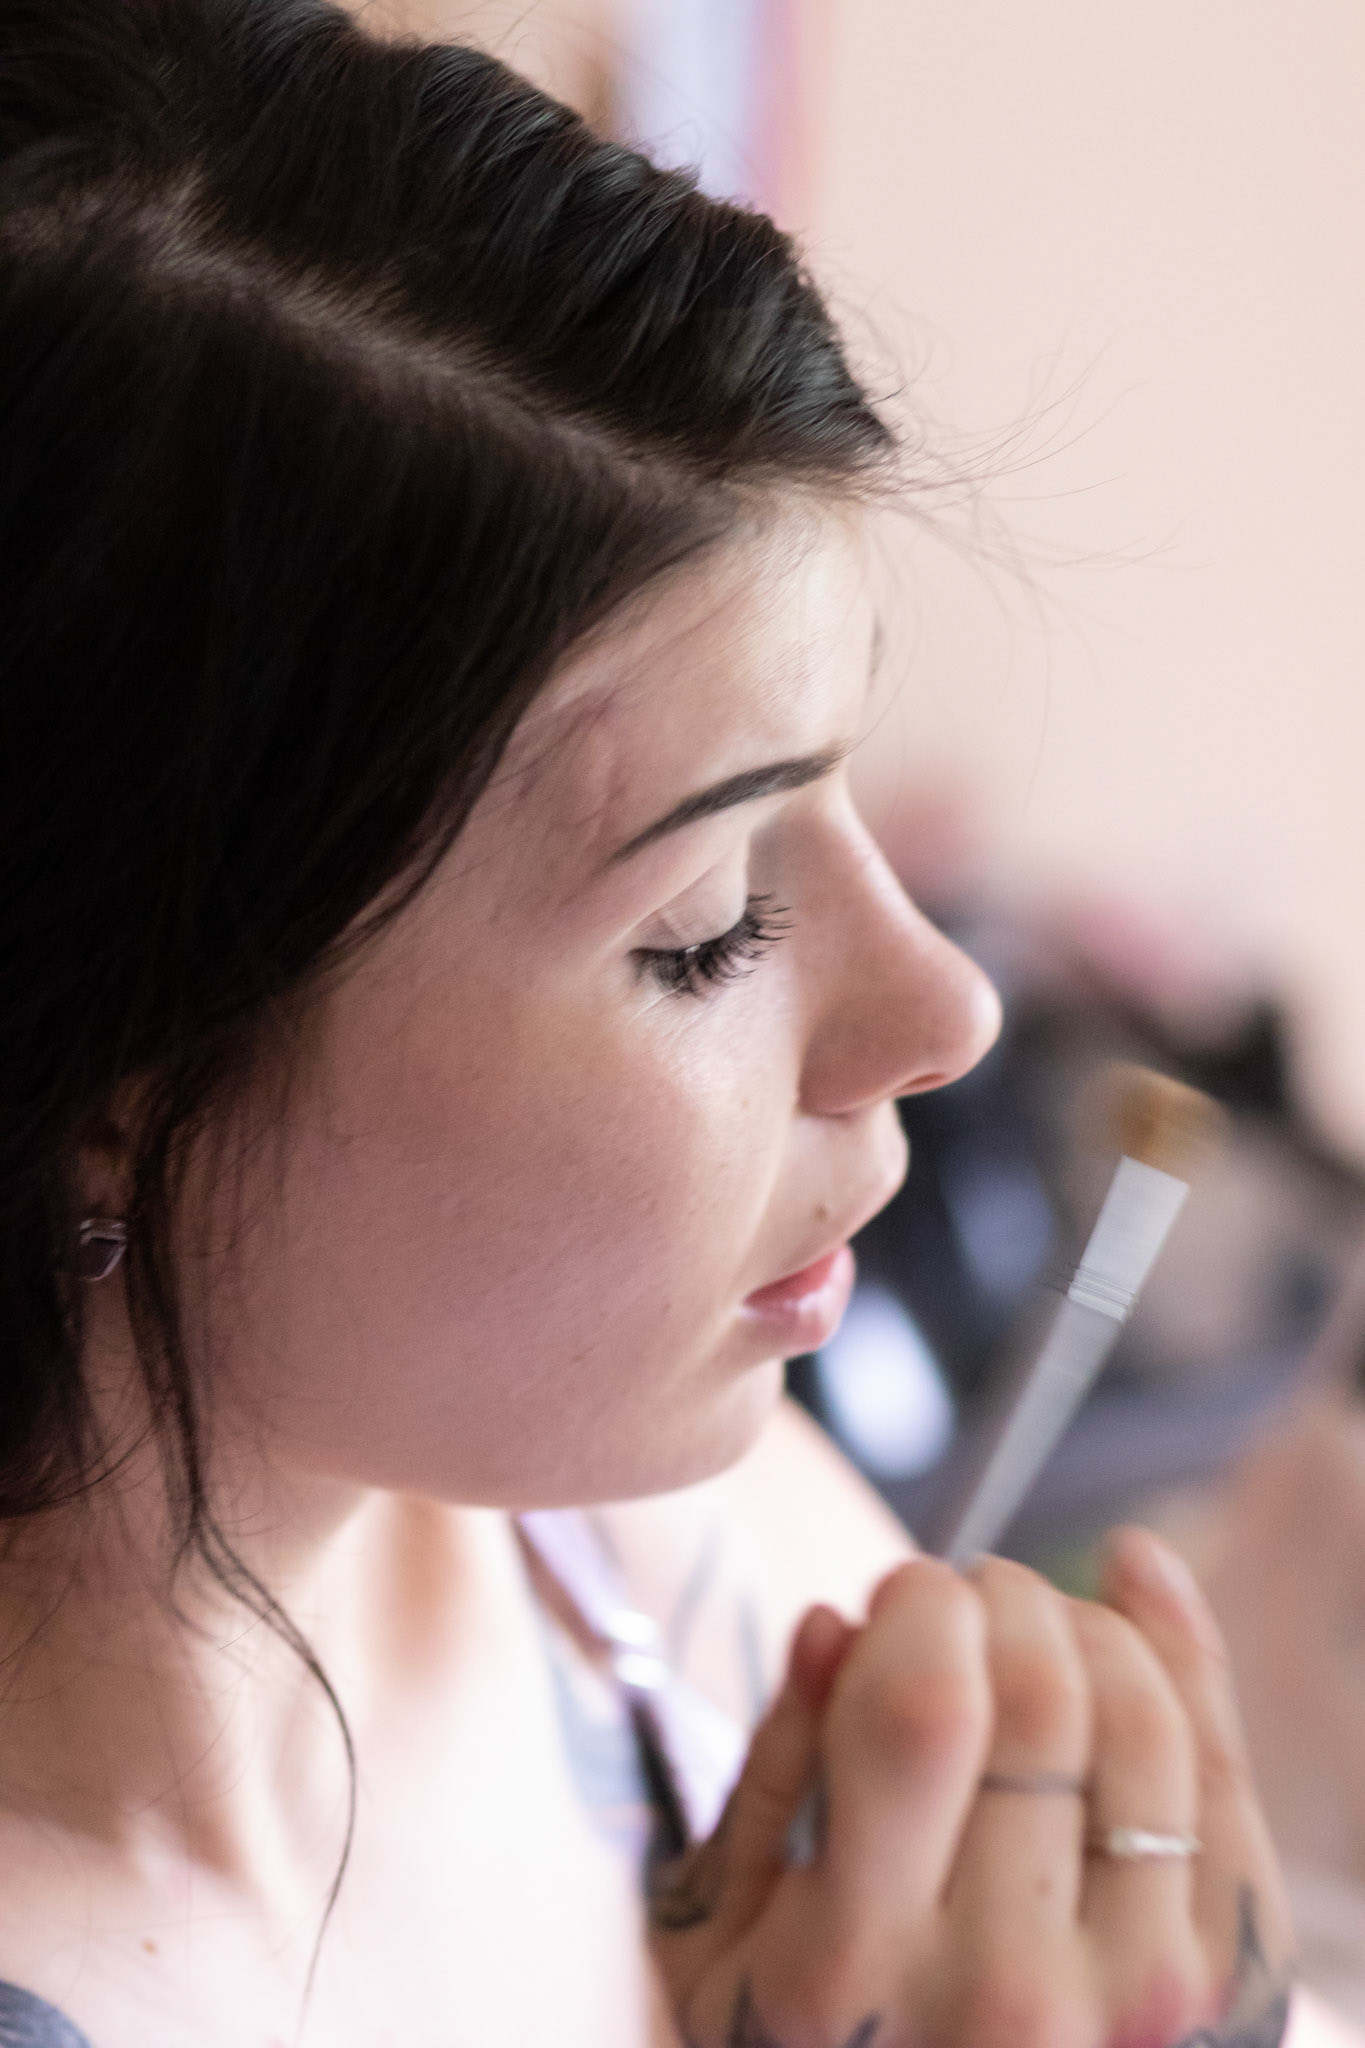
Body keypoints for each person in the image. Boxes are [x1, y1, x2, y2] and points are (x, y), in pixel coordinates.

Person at [0, 1, 1295, 2041]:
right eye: (702, 929)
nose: (947, 1007)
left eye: (841, 787)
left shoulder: (617, 1556)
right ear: (106, 1057)